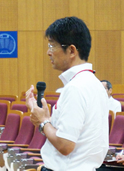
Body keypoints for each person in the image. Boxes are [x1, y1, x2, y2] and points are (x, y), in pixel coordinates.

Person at [25, 16, 109, 170]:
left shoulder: (76, 87)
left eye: (52, 46)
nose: (48, 52)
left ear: (71, 50)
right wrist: (44, 120)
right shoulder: (94, 83)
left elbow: (65, 145)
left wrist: (43, 122)